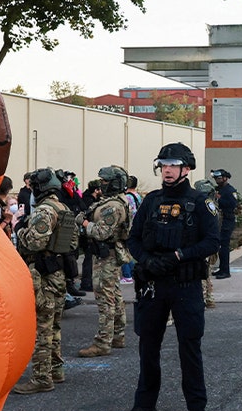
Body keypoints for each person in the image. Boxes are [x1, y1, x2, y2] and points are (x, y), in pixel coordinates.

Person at [123, 143, 220, 411]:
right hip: (153, 284)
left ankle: (197, 408)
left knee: (189, 346)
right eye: (163, 165)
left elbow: (212, 241)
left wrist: (179, 255)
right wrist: (147, 261)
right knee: (148, 345)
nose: (167, 170)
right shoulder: (151, 201)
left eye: (173, 165)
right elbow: (134, 238)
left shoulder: (200, 202)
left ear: (186, 169)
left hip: (185, 285)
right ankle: (144, 404)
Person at [12, 168, 79, 394]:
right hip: (57, 272)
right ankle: (56, 370)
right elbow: (72, 244)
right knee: (54, 324)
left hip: (43, 275)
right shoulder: (63, 208)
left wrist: (18, 229)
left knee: (42, 327)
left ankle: (42, 377)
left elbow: (34, 243)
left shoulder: (44, 211)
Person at [77, 167, 131, 357]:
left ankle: (103, 342)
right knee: (114, 296)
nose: (102, 184)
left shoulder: (113, 206)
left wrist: (85, 224)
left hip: (106, 256)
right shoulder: (114, 202)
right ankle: (117, 335)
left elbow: (102, 232)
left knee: (105, 299)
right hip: (108, 255)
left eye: (106, 181)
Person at [193, 178, 220, 308]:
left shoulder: (203, 206)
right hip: (210, 243)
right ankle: (209, 298)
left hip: (203, 244)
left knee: (202, 273)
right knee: (207, 272)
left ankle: (202, 300)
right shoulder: (212, 205)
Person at [210, 169, 237, 279]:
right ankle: (221, 268)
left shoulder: (230, 190)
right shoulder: (218, 189)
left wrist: (219, 199)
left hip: (227, 220)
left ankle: (226, 271)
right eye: (216, 178)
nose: (217, 180)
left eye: (219, 178)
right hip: (220, 221)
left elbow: (232, 204)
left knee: (224, 246)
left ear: (225, 178)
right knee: (220, 246)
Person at [121, 175, 143, 284]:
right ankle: (133, 272)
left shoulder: (127, 197)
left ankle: (127, 275)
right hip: (137, 226)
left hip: (129, 227)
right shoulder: (137, 196)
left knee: (123, 252)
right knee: (130, 252)